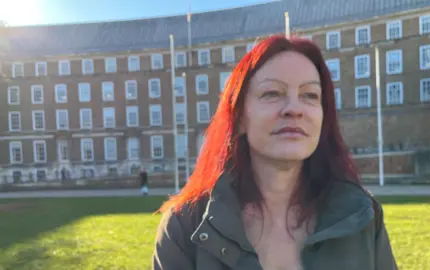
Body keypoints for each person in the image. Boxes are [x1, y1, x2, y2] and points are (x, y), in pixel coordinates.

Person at [152, 35, 397, 270]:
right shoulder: (184, 226)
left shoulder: (361, 215)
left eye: (310, 95)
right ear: (239, 118)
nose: (294, 108)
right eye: (272, 93)